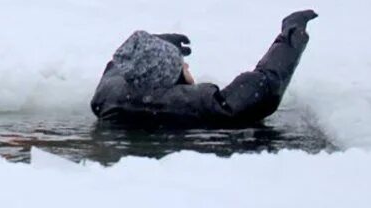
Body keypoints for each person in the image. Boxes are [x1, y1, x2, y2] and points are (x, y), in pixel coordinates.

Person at [91, 11, 319, 128]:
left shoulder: (110, 97)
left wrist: (157, 44)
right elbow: (263, 87)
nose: (187, 65)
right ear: (169, 76)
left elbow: (122, 66)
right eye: (181, 64)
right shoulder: (192, 105)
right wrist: (290, 36)